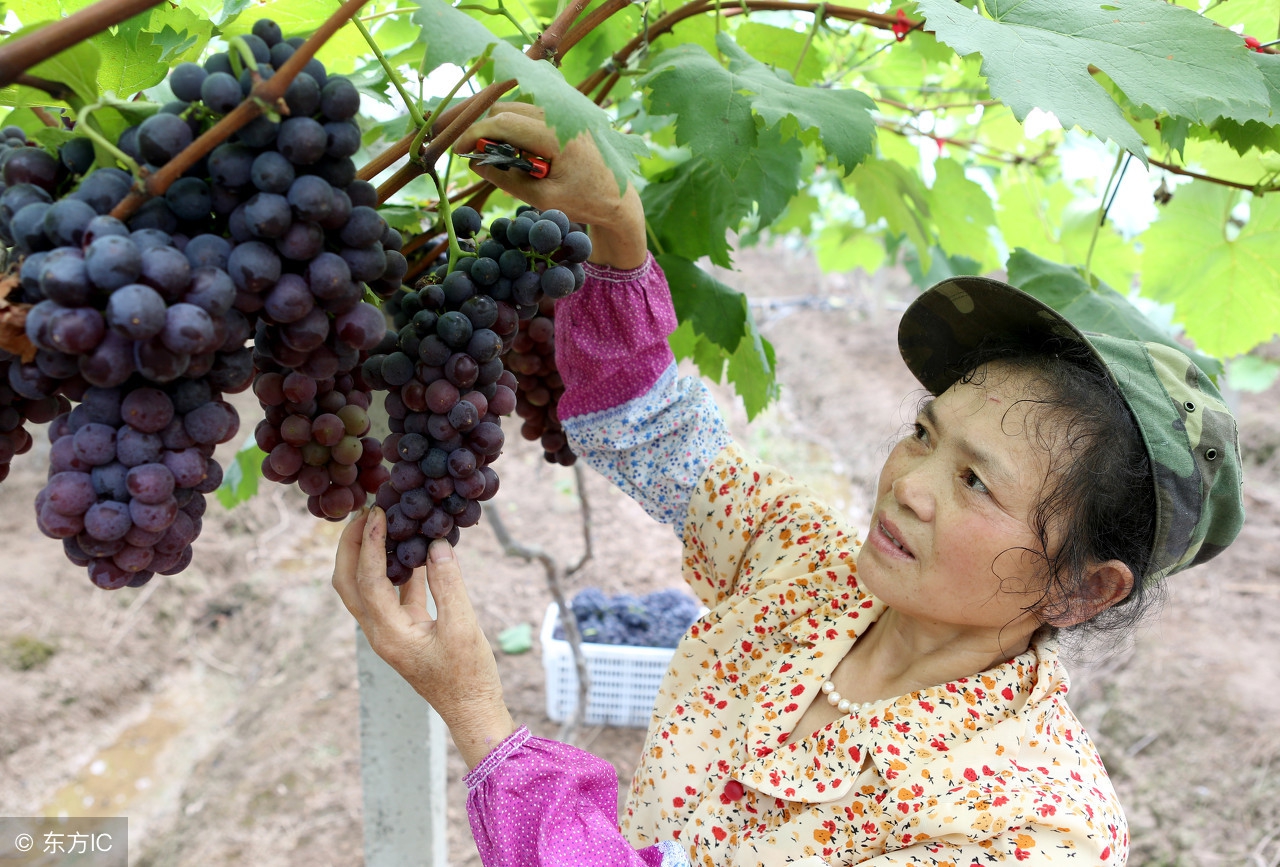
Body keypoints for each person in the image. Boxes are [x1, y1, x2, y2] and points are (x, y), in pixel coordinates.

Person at [331, 103, 1246, 867]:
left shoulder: (1031, 830)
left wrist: (480, 716)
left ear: (1083, 587)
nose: (908, 485)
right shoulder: (810, 569)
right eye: (923, 434)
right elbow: (651, 430)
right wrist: (615, 229)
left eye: (975, 481)